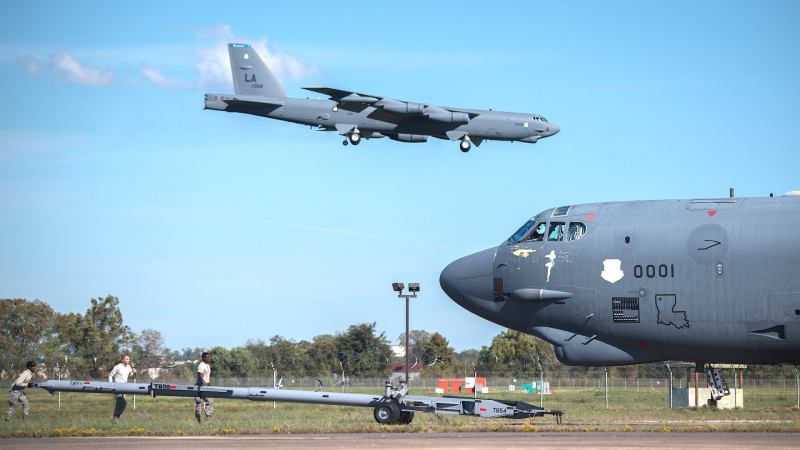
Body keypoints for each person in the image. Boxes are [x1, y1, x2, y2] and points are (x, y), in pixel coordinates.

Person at [108, 354, 136, 424]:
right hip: (117, 387)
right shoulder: (117, 367)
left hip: (125, 388)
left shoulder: (129, 367)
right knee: (121, 402)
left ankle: (116, 418)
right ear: (122, 360)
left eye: (129, 359)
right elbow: (110, 375)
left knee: (122, 403)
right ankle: (116, 418)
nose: (128, 361)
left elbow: (131, 375)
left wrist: (134, 373)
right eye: (127, 359)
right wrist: (111, 385)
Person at [195, 352, 213, 422]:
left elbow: (208, 376)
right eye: (207, 357)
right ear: (203, 358)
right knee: (199, 403)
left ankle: (207, 419)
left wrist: (209, 384)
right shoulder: (201, 365)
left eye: (209, 357)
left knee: (209, 402)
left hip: (206, 386)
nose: (208, 358)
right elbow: (201, 375)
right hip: (200, 387)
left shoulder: (208, 365)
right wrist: (204, 384)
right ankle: (198, 419)